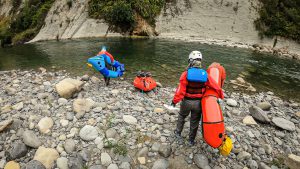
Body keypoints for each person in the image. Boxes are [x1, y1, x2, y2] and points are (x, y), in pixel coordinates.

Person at [171, 51, 224, 146]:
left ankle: (178, 133)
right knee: (194, 121)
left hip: (186, 102)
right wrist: (221, 96)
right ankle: (191, 140)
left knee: (182, 117)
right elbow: (215, 86)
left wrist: (174, 102)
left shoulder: (185, 74)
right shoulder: (205, 75)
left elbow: (180, 91)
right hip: (198, 104)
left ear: (190, 61)